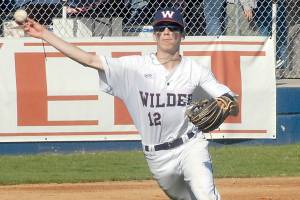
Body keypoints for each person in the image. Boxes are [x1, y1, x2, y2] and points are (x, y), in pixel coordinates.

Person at [20, 7, 238, 199]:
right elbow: (88, 60)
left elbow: (230, 101)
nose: (167, 32)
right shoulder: (134, 68)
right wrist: (45, 34)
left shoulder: (195, 70)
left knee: (205, 194)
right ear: (154, 35)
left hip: (191, 145)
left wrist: (228, 106)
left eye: (173, 27)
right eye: (162, 28)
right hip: (158, 156)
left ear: (183, 35)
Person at [253, 0, 288, 68]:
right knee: (265, 39)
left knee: (280, 38)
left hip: (279, 5)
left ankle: (282, 66)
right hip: (262, 7)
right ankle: (266, 66)